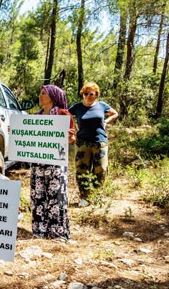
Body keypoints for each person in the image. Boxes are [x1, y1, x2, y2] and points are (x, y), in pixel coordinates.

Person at [30, 84, 75, 241]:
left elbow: (72, 138)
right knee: (38, 196)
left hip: (55, 163)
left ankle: (58, 232)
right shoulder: (36, 116)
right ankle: (39, 231)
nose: (40, 96)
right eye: (40, 93)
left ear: (53, 97)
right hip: (37, 164)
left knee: (56, 196)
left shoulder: (63, 115)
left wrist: (70, 137)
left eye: (43, 93)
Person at [68, 82, 119, 207]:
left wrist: (106, 121)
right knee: (81, 170)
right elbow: (65, 115)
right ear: (82, 94)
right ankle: (85, 197)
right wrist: (73, 127)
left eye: (91, 94)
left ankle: (95, 195)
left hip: (99, 142)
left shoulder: (102, 106)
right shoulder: (77, 107)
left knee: (101, 169)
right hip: (82, 142)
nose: (88, 96)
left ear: (96, 94)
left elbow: (115, 113)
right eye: (85, 93)